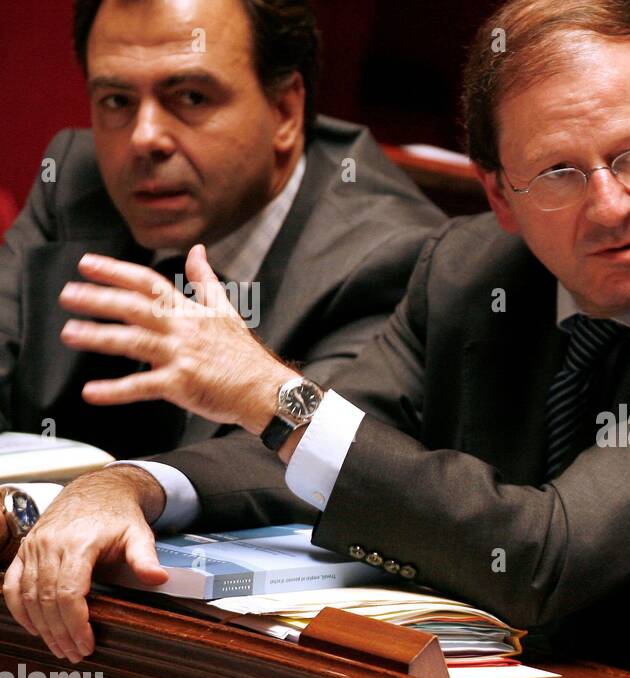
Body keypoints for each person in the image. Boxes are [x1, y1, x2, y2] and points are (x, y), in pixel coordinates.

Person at [5, 0, 630, 678]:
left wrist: (271, 394)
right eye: (561, 175)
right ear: (498, 194)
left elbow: (547, 559)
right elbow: (334, 445)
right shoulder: (472, 269)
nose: (611, 205)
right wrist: (130, 487)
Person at [0, 0, 445, 459]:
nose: (143, 138)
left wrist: (125, 489)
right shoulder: (76, 179)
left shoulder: (389, 257)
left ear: (286, 112)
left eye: (191, 97)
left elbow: (312, 463)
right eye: (117, 101)